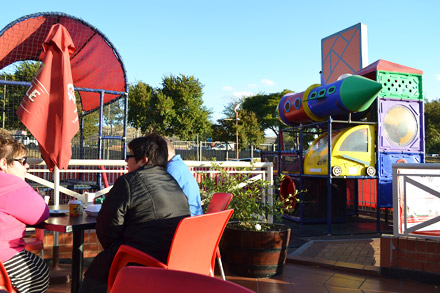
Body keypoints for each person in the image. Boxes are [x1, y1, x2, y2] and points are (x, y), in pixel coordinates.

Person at [80, 134, 191, 293]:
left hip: (141, 258)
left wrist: (117, 248)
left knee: (96, 276)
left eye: (129, 155)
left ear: (143, 160)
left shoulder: (128, 181)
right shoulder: (171, 181)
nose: (126, 160)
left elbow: (107, 226)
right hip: (174, 257)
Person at [0, 135, 50, 293]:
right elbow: (40, 214)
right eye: (22, 161)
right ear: (3, 163)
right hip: (4, 260)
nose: (26, 166)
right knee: (36, 269)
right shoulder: (11, 184)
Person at [165, 138, 203, 216]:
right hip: (195, 219)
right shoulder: (179, 165)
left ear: (166, 154)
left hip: (185, 222)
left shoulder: (170, 169)